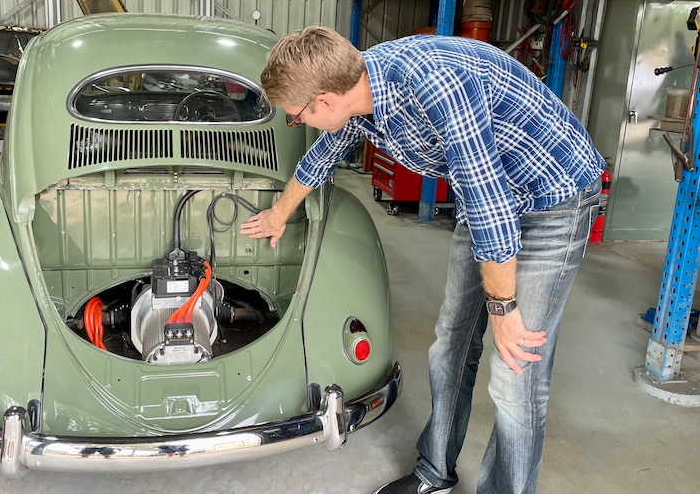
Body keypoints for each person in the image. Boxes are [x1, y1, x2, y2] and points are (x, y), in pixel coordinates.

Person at [239, 26, 605, 494]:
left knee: (517, 372)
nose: (299, 123)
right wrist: (277, 214)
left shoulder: (437, 85)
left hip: (553, 194)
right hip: (493, 194)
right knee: (450, 343)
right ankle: (435, 474)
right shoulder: (359, 89)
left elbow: (488, 207)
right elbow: (322, 157)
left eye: (295, 117)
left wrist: (504, 309)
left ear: (325, 101)